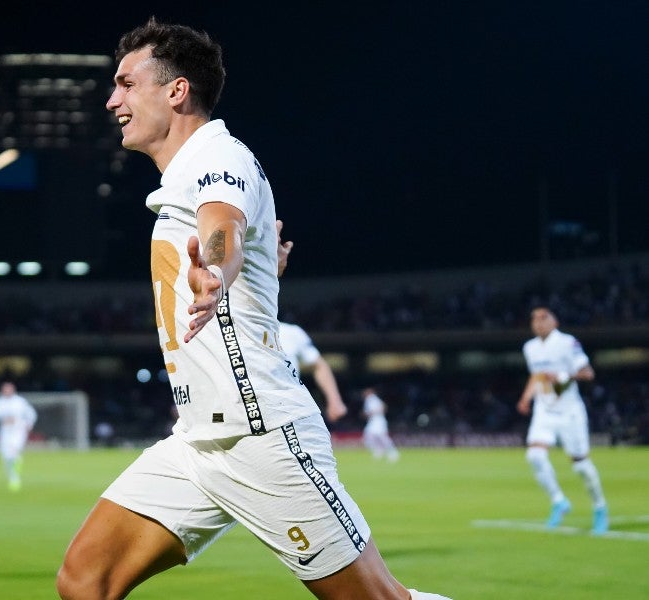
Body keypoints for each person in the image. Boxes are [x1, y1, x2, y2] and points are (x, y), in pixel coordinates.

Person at [56, 17, 451, 600]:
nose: (112, 100)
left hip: (260, 434)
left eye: (125, 83)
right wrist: (252, 272)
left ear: (176, 90)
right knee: (85, 581)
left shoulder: (220, 158)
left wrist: (216, 270)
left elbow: (224, 228)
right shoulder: (185, 176)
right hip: (196, 443)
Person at [516, 306, 609, 534]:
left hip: (569, 411)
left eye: (543, 318)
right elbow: (537, 376)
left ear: (554, 322)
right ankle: (559, 501)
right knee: (535, 455)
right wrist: (526, 398)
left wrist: (563, 376)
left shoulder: (568, 343)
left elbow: (588, 373)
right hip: (544, 410)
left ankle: (600, 507)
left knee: (581, 467)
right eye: (534, 319)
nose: (538, 323)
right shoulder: (530, 348)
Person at [275, 221, 348, 425]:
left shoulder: (291, 332)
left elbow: (319, 365)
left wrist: (334, 400)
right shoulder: (232, 326)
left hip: (289, 415)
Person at [0, 381, 37, 492]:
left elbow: (31, 414)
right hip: (5, 432)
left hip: (18, 430)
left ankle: (15, 476)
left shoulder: (20, 402)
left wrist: (29, 424)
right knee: (6, 456)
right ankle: (12, 476)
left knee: (14, 451)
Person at [361, 387, 400, 462]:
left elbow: (383, 407)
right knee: (369, 436)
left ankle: (393, 452)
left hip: (378, 421)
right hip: (373, 421)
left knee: (382, 437)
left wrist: (371, 413)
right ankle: (379, 451)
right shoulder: (370, 399)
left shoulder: (372, 399)